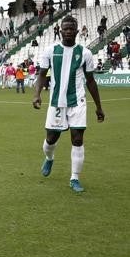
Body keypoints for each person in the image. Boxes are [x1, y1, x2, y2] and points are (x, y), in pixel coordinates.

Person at [33, 15, 105, 193]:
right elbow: (42, 74)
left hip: (77, 101)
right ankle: (49, 158)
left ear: (76, 30)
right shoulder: (50, 51)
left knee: (78, 139)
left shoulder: (85, 53)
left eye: (71, 29)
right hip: (57, 102)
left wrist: (99, 106)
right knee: (51, 140)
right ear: (60, 30)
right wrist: (37, 95)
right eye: (65, 29)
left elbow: (90, 81)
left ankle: (74, 178)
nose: (68, 32)